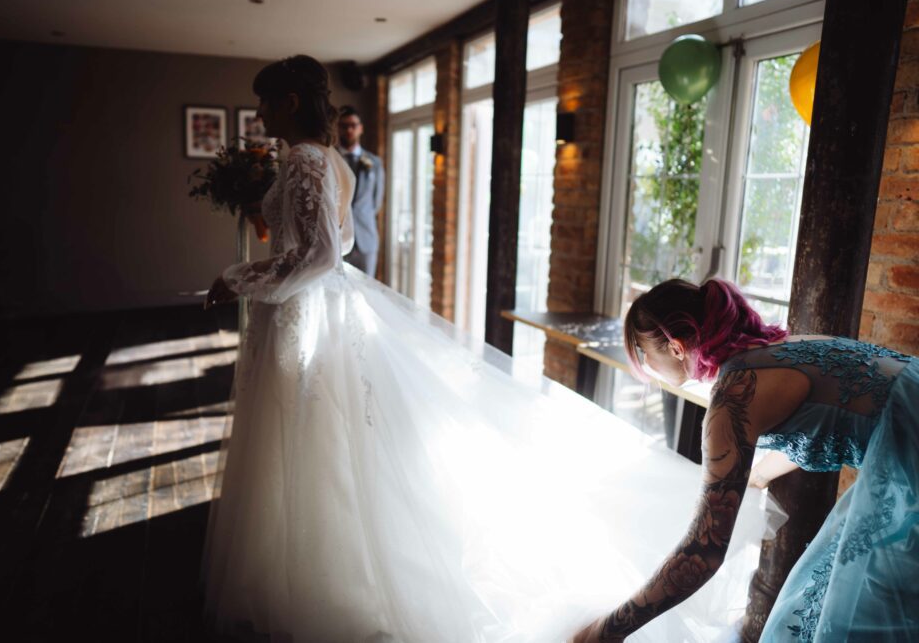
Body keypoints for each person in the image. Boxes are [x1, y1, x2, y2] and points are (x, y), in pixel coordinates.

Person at [198, 56, 775, 643]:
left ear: (291, 102)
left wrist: (240, 275)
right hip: (324, 307)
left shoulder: (300, 158)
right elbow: (340, 241)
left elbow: (320, 255)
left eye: (266, 102)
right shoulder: (335, 162)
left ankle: (309, 574)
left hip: (305, 313)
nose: (262, 113)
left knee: (302, 436)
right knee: (324, 438)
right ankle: (324, 565)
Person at [570, 278, 919, 643]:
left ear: (674, 347)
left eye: (644, 355)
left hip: (909, 467)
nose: (647, 367)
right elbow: (827, 421)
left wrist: (606, 631)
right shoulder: (779, 347)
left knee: (850, 616)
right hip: (907, 435)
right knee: (817, 599)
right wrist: (756, 475)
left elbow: (703, 551)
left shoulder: (731, 402)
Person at [336, 105, 384, 277]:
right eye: (344, 125)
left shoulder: (374, 162)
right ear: (337, 128)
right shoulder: (330, 160)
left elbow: (376, 202)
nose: (349, 129)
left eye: (353, 125)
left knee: (366, 294)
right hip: (336, 241)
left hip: (366, 241)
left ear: (360, 128)